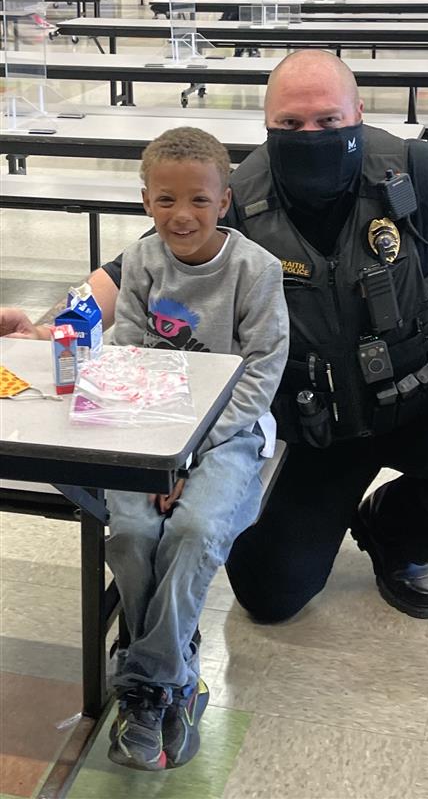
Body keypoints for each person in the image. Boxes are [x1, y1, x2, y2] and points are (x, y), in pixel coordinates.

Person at [1, 50, 428, 628]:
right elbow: (131, 273)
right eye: (290, 125)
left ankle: (393, 536)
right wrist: (52, 328)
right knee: (267, 593)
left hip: (426, 395)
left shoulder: (420, 174)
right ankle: (326, 518)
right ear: (268, 125)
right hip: (317, 426)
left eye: (328, 121)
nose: (310, 136)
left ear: (359, 112)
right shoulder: (235, 196)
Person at [101, 126, 288, 771]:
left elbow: (262, 374)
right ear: (146, 199)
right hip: (148, 429)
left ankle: (145, 683)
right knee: (129, 532)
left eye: (199, 201)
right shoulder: (141, 261)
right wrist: (158, 448)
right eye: (166, 200)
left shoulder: (255, 271)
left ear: (225, 202)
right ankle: (177, 673)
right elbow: (126, 354)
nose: (183, 215)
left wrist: (187, 453)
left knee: (196, 530)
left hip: (227, 434)